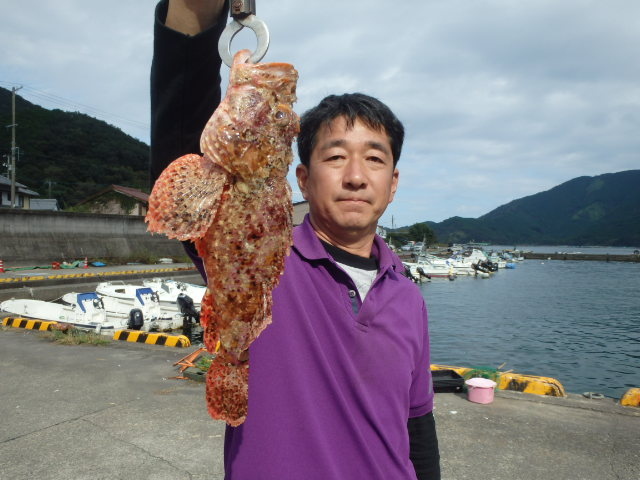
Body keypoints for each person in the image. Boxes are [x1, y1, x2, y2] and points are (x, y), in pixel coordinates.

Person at [150, 1, 441, 479]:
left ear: (393, 184)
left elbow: (418, 425)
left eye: (374, 158)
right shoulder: (262, 257)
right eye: (335, 157)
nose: (355, 176)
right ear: (302, 179)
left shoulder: (408, 295)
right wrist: (198, 10)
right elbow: (180, 137)